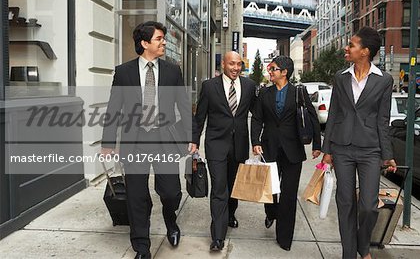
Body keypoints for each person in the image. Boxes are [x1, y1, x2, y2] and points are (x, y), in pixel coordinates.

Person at [101, 21, 197, 259]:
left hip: (164, 140)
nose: (164, 42)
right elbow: (114, 109)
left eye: (163, 38)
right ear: (144, 43)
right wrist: (108, 143)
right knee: (136, 196)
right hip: (135, 141)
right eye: (159, 38)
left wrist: (191, 137)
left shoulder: (173, 71)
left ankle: (170, 220)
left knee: (171, 192)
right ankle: (141, 247)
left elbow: (184, 107)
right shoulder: (123, 72)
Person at [321, 26, 397, 259]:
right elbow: (333, 115)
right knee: (344, 203)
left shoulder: (384, 80)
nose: (347, 47)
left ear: (365, 51)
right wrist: (327, 150)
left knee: (368, 206)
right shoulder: (340, 78)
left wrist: (387, 153)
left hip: (370, 151)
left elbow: (383, 120)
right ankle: (348, 254)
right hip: (342, 149)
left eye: (351, 45)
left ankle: (363, 246)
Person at [251, 55, 321, 251]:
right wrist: (255, 141)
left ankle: (284, 238)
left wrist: (317, 144)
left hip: (293, 149)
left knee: (289, 195)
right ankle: (271, 212)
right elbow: (257, 119)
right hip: (269, 147)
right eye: (269, 69)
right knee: (271, 191)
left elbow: (312, 118)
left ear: (284, 72)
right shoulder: (264, 93)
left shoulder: (299, 92)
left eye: (273, 69)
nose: (270, 72)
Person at [193, 51, 256, 251]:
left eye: (239, 64)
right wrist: (194, 141)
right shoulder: (209, 86)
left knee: (233, 186)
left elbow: (259, 114)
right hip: (216, 145)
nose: (236, 68)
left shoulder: (249, 86)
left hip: (239, 145)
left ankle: (230, 214)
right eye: (232, 64)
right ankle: (218, 236)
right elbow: (200, 116)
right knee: (219, 188)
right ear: (223, 65)